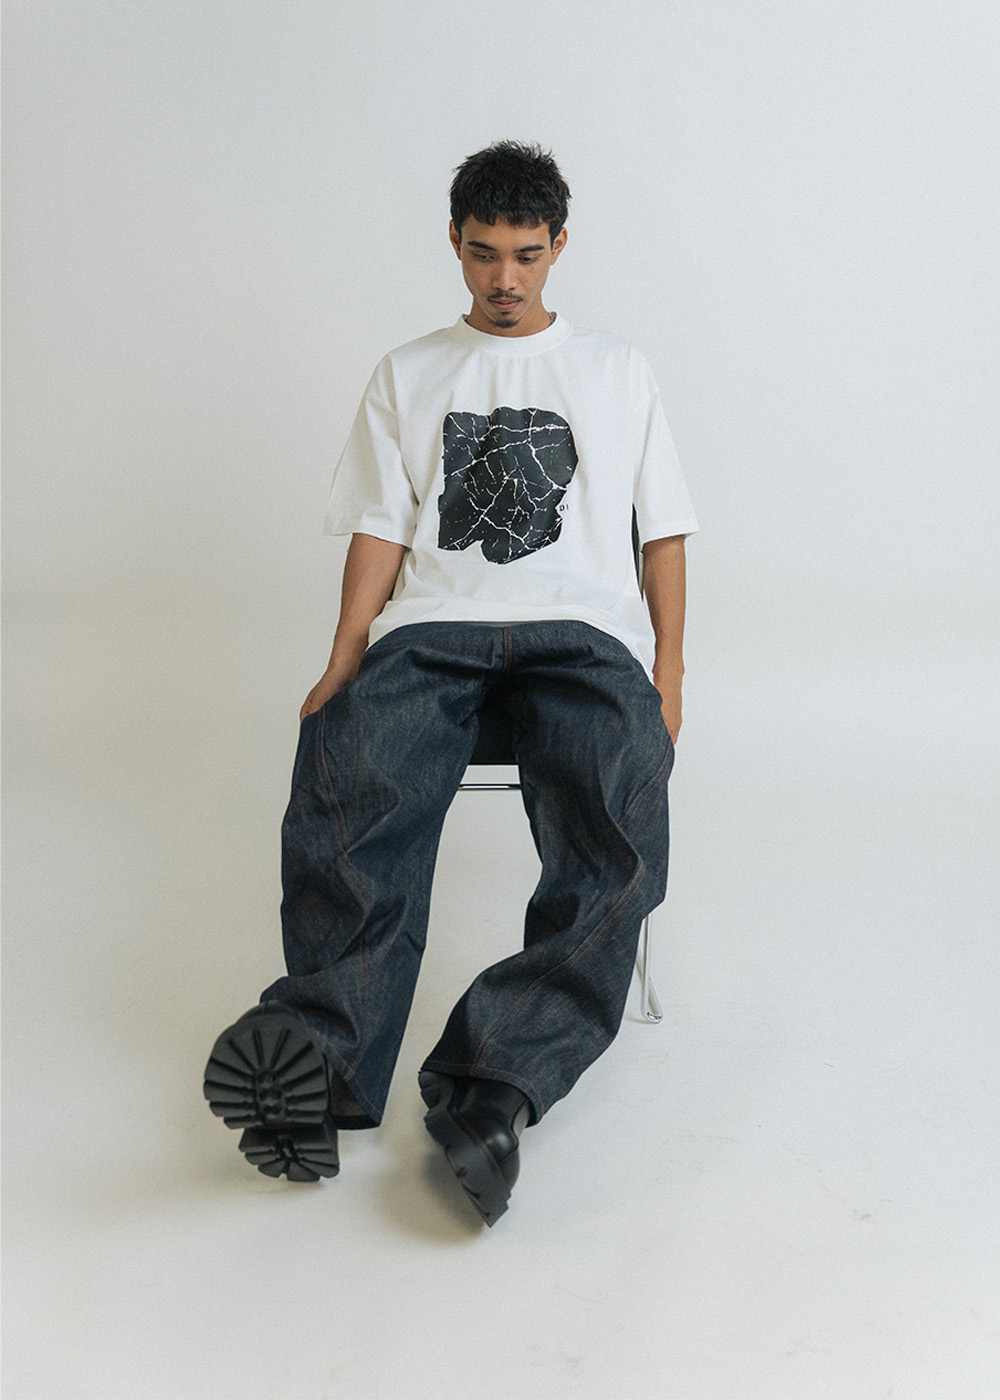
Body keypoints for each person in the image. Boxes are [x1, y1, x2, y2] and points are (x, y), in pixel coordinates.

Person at [204, 141, 698, 1226]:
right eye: (483, 254)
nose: (503, 278)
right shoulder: (409, 370)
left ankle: (494, 1086)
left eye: (525, 255)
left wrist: (666, 671)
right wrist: (345, 654)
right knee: (357, 775)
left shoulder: (616, 368)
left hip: (582, 636)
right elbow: (382, 526)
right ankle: (318, 1064)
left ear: (558, 246)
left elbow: (661, 529)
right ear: (455, 243)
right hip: (435, 630)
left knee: (616, 830)